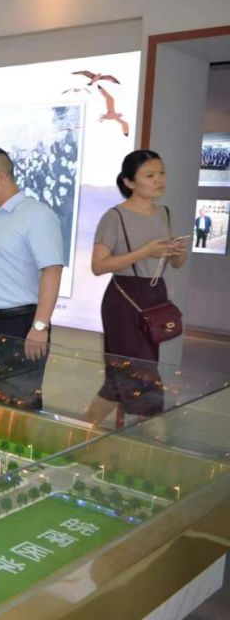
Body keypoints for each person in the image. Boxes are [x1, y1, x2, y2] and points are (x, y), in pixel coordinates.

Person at [84, 150, 187, 424]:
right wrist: (145, 252)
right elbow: (98, 266)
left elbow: (177, 263)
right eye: (150, 175)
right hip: (124, 301)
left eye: (162, 173)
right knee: (144, 381)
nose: (159, 180)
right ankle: (152, 443)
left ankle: (78, 435)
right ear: (129, 182)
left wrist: (177, 252)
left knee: (120, 383)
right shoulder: (115, 217)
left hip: (156, 300)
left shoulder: (166, 214)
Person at [0, 147, 64, 411]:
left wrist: (39, 327)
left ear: (2, 177)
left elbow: (52, 270)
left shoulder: (36, 214)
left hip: (20, 325)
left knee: (17, 407)